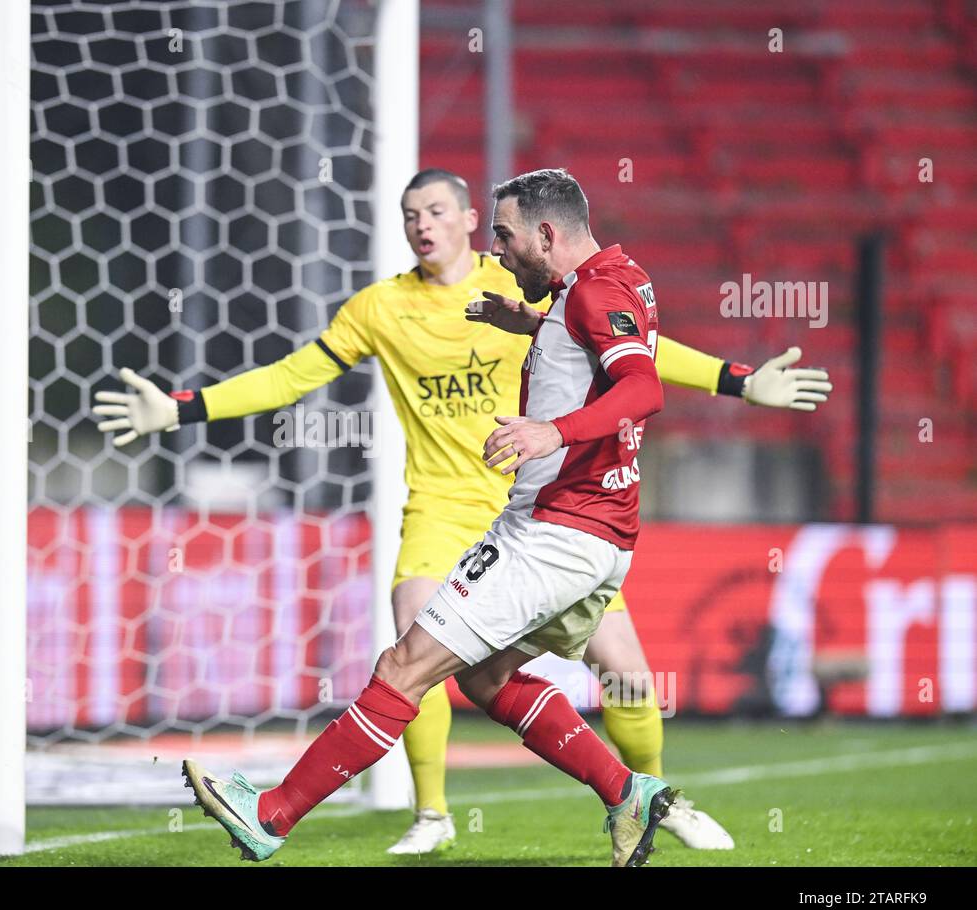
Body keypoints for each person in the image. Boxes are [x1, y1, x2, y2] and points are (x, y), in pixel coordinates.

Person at [96, 167, 831, 857]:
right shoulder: (454, 299)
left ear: (506, 226)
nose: (474, 244)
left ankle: (272, 815)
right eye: (409, 215)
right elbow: (296, 375)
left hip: (550, 523)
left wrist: (724, 384)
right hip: (488, 514)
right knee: (471, 675)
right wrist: (183, 408)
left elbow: (639, 372)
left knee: (442, 666)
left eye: (462, 220)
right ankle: (469, 809)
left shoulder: (562, 287)